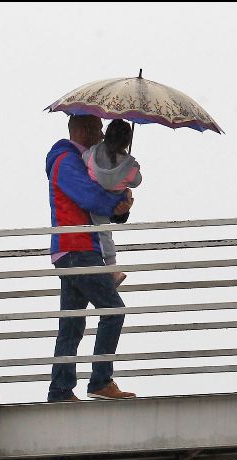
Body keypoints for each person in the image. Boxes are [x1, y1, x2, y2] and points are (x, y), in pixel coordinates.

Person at [45, 114, 136, 402]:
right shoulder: (66, 160)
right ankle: (100, 380)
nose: (101, 134)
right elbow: (87, 197)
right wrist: (114, 202)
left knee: (71, 324)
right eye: (97, 128)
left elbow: (94, 198)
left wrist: (119, 200)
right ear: (82, 129)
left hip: (74, 249)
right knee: (112, 310)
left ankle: (60, 389)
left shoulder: (77, 160)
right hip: (79, 248)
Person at [83, 119, 142, 287]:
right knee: (107, 233)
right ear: (126, 142)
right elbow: (137, 181)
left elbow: (84, 158)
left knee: (104, 234)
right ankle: (112, 270)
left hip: (98, 201)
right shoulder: (128, 165)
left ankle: (112, 268)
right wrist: (131, 163)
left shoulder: (92, 154)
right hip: (116, 201)